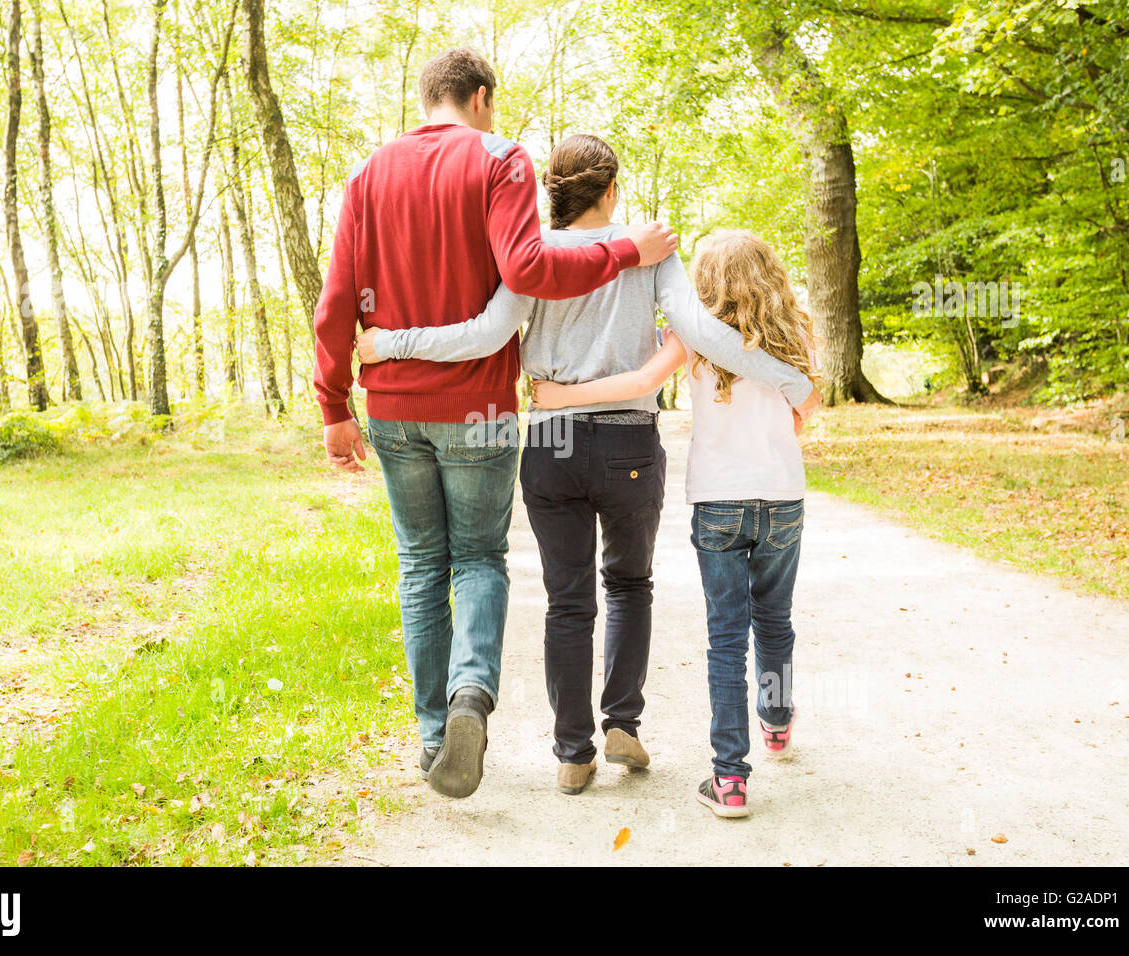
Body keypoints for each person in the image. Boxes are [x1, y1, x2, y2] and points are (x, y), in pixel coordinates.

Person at [358, 138, 821, 796]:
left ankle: (573, 750)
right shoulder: (649, 251)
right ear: (609, 191)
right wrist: (791, 381)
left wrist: (391, 344)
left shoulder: (531, 257)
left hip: (553, 443)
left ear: (555, 191)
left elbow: (484, 335)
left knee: (566, 602)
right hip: (628, 444)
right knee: (630, 585)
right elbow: (705, 332)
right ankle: (621, 722)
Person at [313, 49, 680, 800]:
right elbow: (530, 271)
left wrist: (332, 405)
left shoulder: (367, 174)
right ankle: (470, 698)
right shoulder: (500, 159)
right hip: (475, 407)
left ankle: (431, 739)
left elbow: (336, 301)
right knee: (479, 558)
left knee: (420, 567)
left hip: (389, 405)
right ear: (479, 97)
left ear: (427, 99)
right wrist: (624, 251)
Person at [530, 230, 816, 817]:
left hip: (718, 505)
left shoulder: (692, 338)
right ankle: (778, 719)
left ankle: (730, 780)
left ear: (705, 282)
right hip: (783, 499)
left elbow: (638, 386)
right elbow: (801, 417)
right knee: (775, 621)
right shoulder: (797, 336)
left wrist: (561, 396)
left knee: (727, 639)